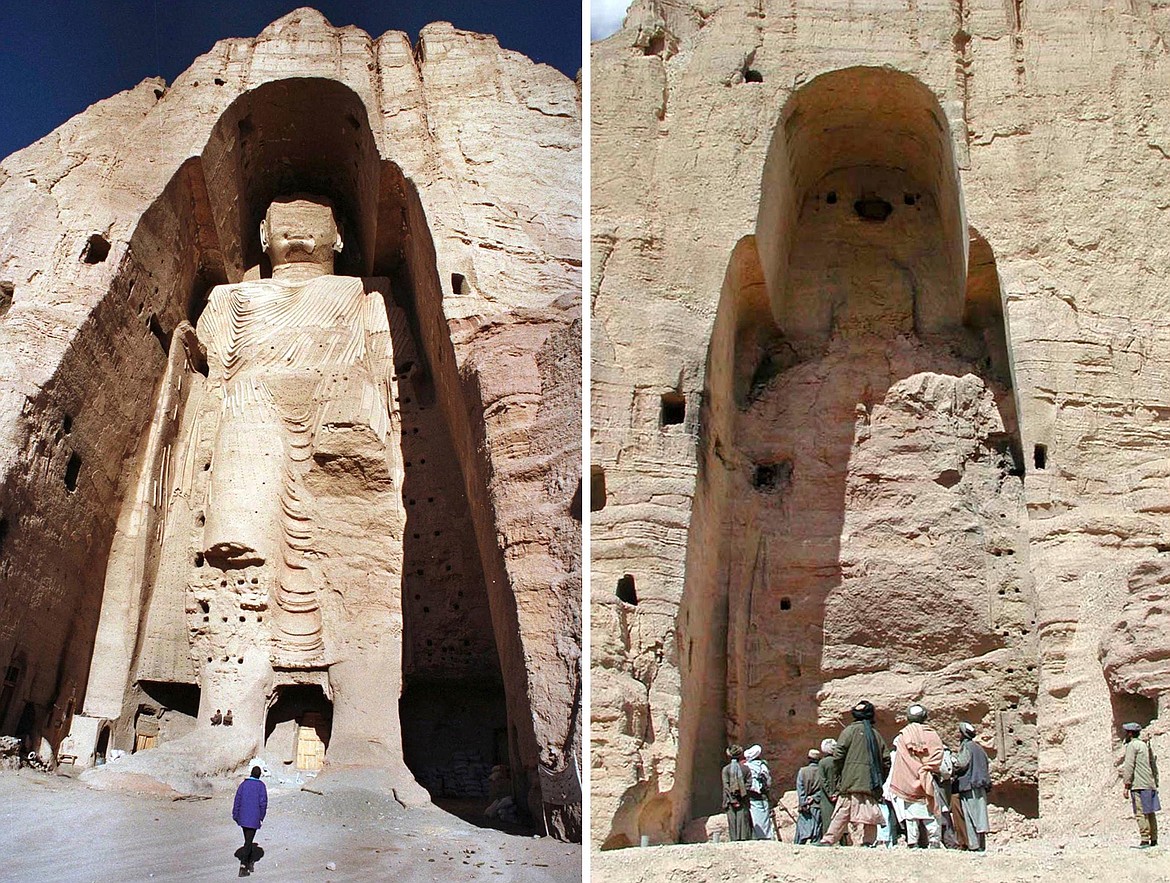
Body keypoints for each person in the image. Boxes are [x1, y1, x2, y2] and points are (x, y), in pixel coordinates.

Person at [818, 700, 890, 847]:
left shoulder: (849, 731)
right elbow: (886, 761)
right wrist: (879, 779)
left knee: (842, 811)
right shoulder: (876, 735)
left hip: (850, 781)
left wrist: (842, 774)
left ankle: (829, 839)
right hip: (870, 782)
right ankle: (868, 841)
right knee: (870, 813)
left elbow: (838, 756)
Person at [888, 704, 944, 848]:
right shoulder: (932, 734)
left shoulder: (902, 736)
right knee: (931, 810)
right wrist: (926, 768)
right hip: (928, 778)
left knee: (910, 814)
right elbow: (938, 756)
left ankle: (912, 842)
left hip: (907, 780)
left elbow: (901, 761)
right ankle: (934, 841)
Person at [1121, 721, 1160, 848]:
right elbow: (1153, 765)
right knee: (1150, 812)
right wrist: (1156, 781)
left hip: (1139, 784)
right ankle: (1154, 839)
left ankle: (1144, 839)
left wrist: (1127, 785)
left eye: (1127, 733)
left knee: (1140, 812)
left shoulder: (1132, 746)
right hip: (1149, 783)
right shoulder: (1145, 745)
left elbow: (1129, 766)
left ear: (1130, 733)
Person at [954, 721, 991, 851]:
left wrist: (953, 761)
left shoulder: (967, 747)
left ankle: (974, 846)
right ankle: (981, 845)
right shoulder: (979, 747)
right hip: (980, 785)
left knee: (971, 816)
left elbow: (961, 763)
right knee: (980, 816)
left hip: (970, 785)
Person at [232, 765, 268, 876]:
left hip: (243, 818)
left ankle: (249, 862)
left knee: (248, 839)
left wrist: (235, 815)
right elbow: (263, 803)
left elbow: (237, 800)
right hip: (253, 818)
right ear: (259, 775)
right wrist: (261, 817)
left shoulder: (243, 785)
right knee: (248, 841)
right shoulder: (261, 786)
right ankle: (243, 866)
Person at [744, 744, 777, 839]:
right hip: (763, 795)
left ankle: (760, 837)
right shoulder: (763, 766)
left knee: (756, 817)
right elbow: (768, 781)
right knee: (764, 817)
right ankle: (766, 836)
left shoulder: (747, 767)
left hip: (752, 796)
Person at [722, 744, 752, 841]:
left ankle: (734, 840)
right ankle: (743, 840)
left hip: (729, 801)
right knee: (743, 821)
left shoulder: (726, 769)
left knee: (732, 822)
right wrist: (741, 794)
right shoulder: (746, 769)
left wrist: (733, 799)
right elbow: (749, 784)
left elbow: (726, 786)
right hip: (743, 799)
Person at [795, 749, 824, 844]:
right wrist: (814, 797)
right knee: (816, 831)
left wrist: (803, 802)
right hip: (816, 805)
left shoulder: (802, 771)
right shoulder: (822, 771)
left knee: (801, 832)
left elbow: (800, 789)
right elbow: (824, 789)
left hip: (805, 806)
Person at [815, 738, 839, 842]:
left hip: (826, 796)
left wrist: (830, 793)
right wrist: (837, 792)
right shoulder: (838, 761)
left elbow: (823, 780)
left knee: (827, 818)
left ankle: (828, 839)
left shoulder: (822, 763)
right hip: (839, 794)